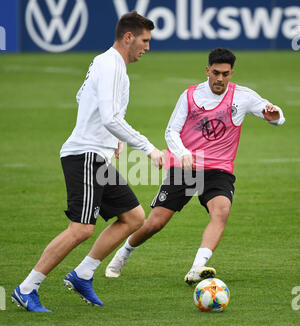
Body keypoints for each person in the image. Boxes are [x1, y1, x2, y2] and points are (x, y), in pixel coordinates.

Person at [11, 11, 164, 312]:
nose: (148, 47)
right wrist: (147, 148)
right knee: (81, 229)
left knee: (133, 218)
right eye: (145, 40)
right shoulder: (111, 65)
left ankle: (82, 274)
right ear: (128, 37)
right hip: (84, 155)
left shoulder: (106, 62)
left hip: (98, 153)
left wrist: (113, 138)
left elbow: (84, 97)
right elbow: (108, 116)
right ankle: (26, 288)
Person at [105, 48, 286, 284]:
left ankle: (197, 268)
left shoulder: (243, 96)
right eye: (216, 73)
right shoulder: (190, 95)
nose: (220, 79)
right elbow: (171, 131)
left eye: (226, 74)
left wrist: (276, 116)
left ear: (231, 73)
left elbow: (276, 116)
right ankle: (124, 253)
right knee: (155, 222)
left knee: (221, 211)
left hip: (219, 169)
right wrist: (183, 153)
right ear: (207, 70)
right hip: (186, 165)